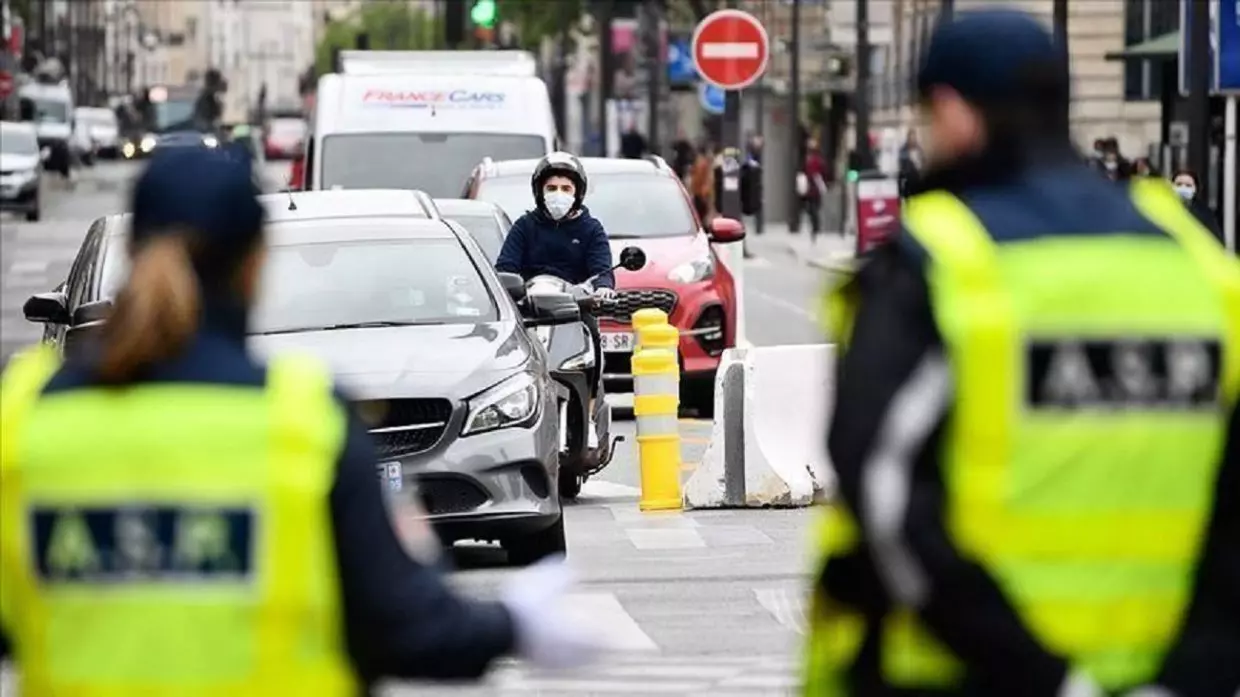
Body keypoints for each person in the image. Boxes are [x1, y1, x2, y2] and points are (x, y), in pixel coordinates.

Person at [0, 147, 605, 695]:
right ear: (256, 264)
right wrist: (513, 624)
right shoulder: (302, 419)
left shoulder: (26, 415)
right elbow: (402, 624)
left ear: (131, 255)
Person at [807, 8, 1240, 696]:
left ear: (952, 112)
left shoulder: (941, 258)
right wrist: (1193, 669)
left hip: (968, 675)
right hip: (1167, 673)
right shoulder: (1196, 260)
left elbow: (883, 488)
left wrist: (1052, 679)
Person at [494, 152, 616, 441]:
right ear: (539, 192)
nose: (558, 195)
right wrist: (514, 290)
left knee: (593, 340)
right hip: (532, 309)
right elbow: (505, 268)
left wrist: (602, 290)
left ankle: (587, 411)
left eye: (566, 189)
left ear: (578, 193)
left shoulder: (591, 229)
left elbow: (603, 271)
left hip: (574, 307)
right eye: (551, 188)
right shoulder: (525, 226)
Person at [1172, 169, 1223, 242]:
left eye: (1188, 185)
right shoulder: (1162, 209)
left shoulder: (1205, 213)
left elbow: (1216, 240)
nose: (1183, 188)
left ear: (1195, 189)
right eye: (1179, 184)